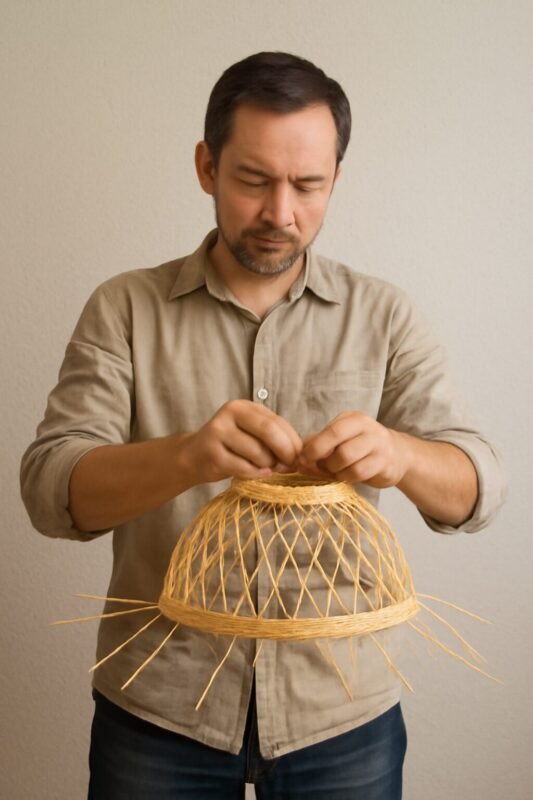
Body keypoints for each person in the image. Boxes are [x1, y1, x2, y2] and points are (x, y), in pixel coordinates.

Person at [20, 51, 506, 799]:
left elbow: (478, 490)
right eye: (253, 180)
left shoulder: (383, 314)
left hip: (339, 713)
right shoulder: (123, 307)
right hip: (159, 708)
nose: (281, 213)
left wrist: (399, 454)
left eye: (308, 185)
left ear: (335, 178)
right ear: (206, 166)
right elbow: (52, 489)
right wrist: (188, 456)